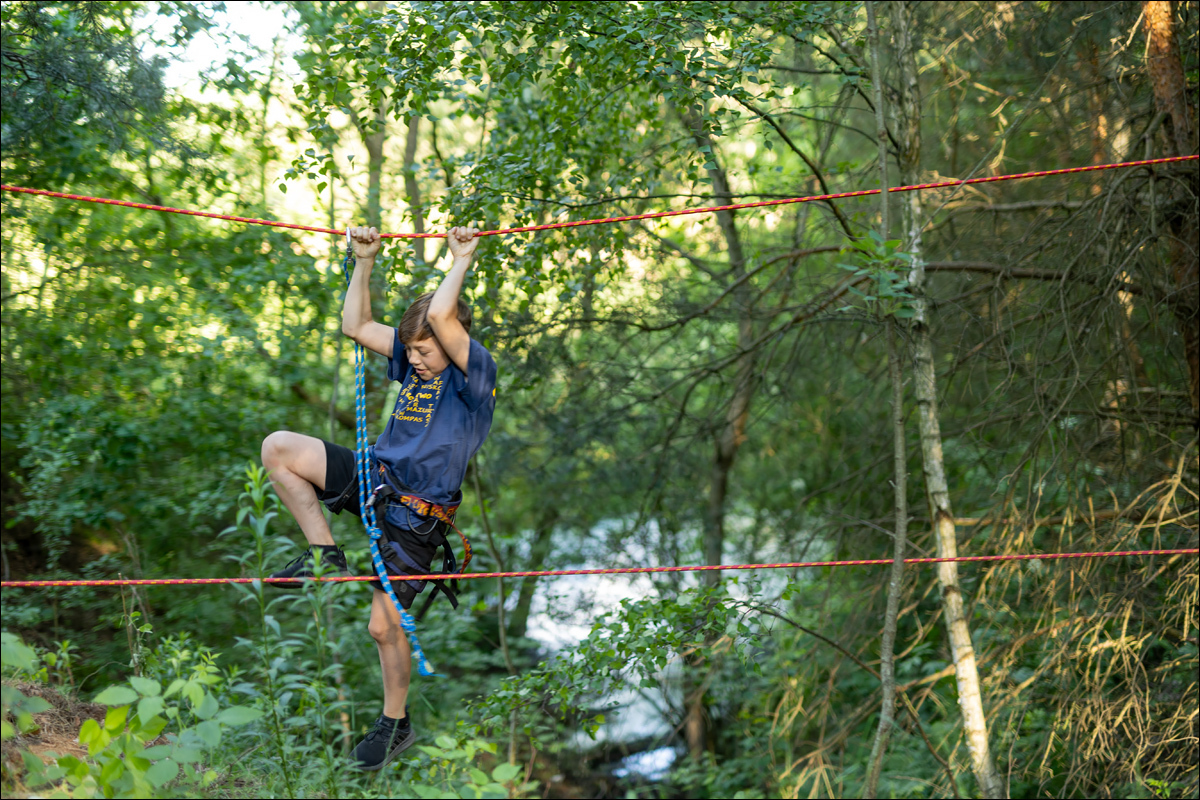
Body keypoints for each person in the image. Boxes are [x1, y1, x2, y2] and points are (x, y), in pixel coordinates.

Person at [259, 225, 497, 771]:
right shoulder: (416, 360)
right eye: (409, 349)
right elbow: (356, 325)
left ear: (453, 340)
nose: (414, 359)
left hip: (418, 516)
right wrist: (363, 261)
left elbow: (444, 315)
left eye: (424, 350)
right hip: (377, 477)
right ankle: (324, 553)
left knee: (382, 627)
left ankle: (395, 724)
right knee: (280, 449)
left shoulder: (474, 377)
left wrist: (461, 260)